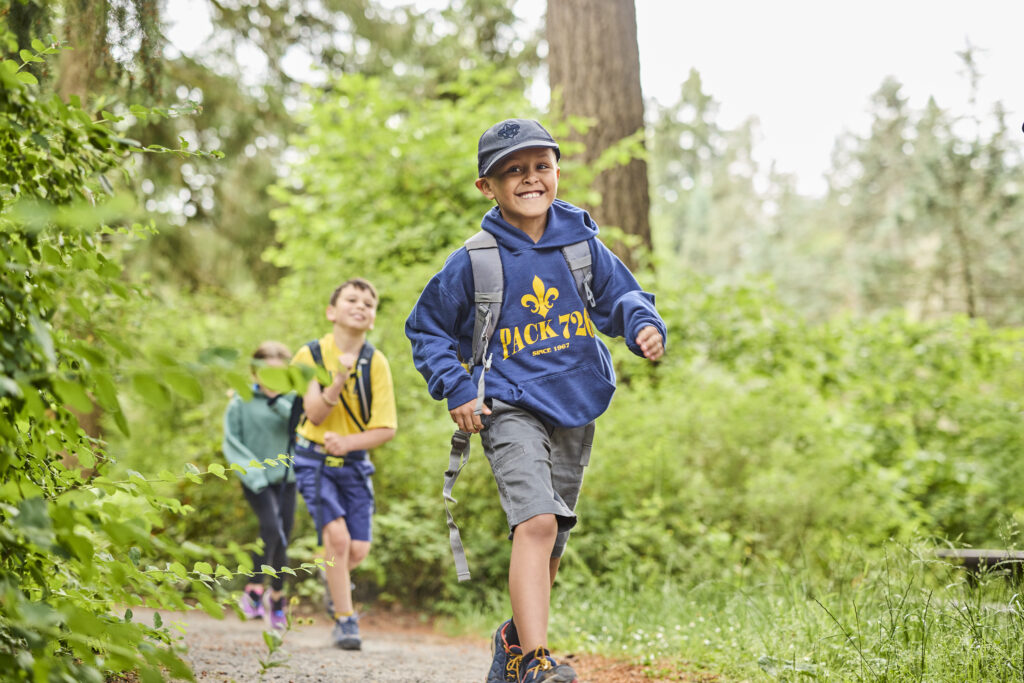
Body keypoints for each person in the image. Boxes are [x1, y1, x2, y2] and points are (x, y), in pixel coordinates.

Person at [405, 119, 666, 683]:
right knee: (538, 521)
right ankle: (534, 662)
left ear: (555, 171)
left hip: (574, 399)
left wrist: (643, 324)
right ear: (487, 187)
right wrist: (455, 387)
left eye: (540, 166)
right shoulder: (474, 260)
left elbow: (623, 296)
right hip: (508, 405)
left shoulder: (580, 243)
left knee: (552, 539)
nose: (530, 179)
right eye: (513, 171)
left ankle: (513, 642)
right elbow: (426, 328)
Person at [291, 277, 397, 650]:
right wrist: (339, 378)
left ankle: (331, 581)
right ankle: (346, 620)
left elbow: (386, 428)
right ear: (331, 312)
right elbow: (315, 414)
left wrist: (349, 443)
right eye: (352, 299)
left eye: (369, 304)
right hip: (313, 459)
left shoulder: (377, 362)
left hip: (353, 463)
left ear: (372, 319)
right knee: (337, 538)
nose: (361, 306)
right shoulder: (309, 356)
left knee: (357, 550)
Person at [222, 341, 298, 631]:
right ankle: (255, 589)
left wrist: (276, 400)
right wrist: (255, 475)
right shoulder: (239, 402)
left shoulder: (292, 401)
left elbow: (301, 429)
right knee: (271, 528)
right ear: (255, 374)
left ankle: (276, 599)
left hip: (288, 480)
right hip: (256, 480)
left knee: (283, 537)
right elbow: (232, 443)